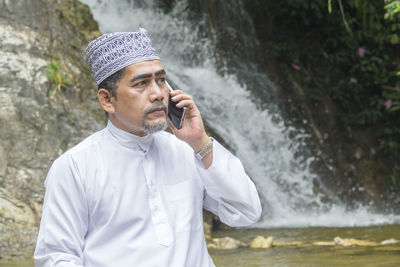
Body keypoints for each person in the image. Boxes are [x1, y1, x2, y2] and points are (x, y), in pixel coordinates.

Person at [34, 28, 261, 267]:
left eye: (161, 81)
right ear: (107, 100)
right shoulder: (75, 167)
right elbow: (57, 257)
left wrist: (200, 141)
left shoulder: (188, 151)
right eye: (141, 84)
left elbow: (246, 212)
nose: (157, 94)